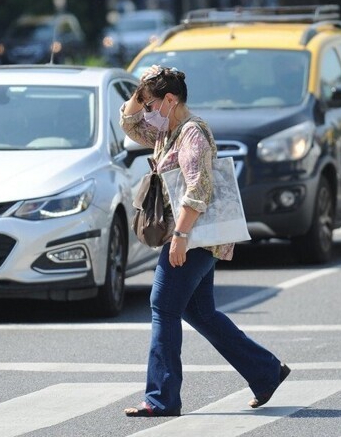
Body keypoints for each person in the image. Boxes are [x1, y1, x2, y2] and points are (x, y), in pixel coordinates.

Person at [119, 65, 290, 417]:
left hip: (193, 236)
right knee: (201, 313)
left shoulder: (191, 134)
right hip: (190, 236)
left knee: (162, 306)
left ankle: (161, 398)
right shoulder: (167, 132)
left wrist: (180, 237)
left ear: (170, 100)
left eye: (152, 104)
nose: (148, 111)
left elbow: (199, 189)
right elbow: (129, 123)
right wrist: (140, 91)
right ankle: (266, 372)